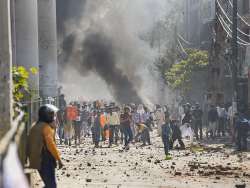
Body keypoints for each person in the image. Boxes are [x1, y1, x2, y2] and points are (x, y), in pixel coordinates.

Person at [28, 106, 64, 188]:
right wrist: (59, 160)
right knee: (51, 185)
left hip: (36, 160)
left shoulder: (34, 126)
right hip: (46, 160)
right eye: (52, 115)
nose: (53, 117)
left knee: (49, 184)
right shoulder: (46, 128)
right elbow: (51, 145)